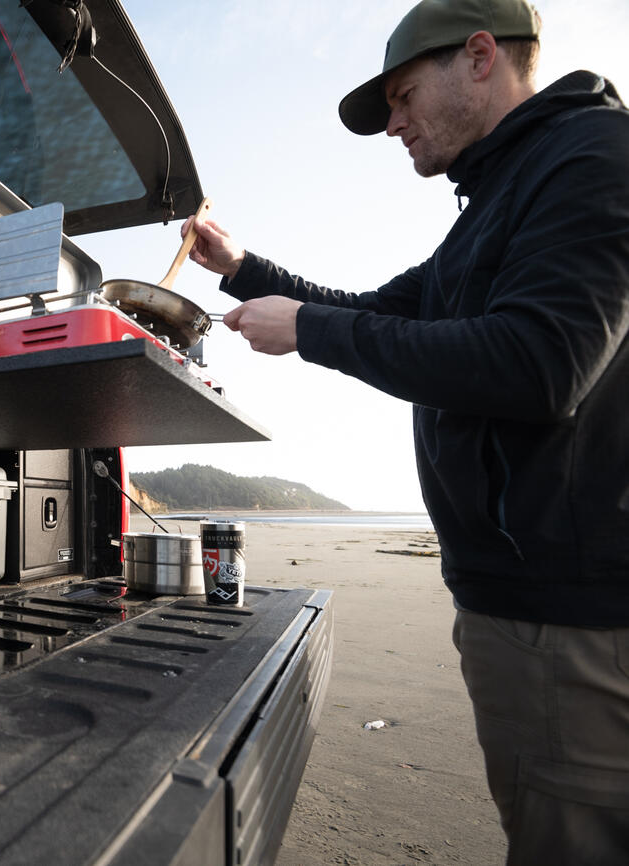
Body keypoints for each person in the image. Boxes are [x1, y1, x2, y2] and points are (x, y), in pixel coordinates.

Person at [181, 0, 629, 862]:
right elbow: (381, 309)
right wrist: (242, 271)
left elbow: (539, 365)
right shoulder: (498, 200)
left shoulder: (591, 156)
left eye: (402, 96)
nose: (393, 124)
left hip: (571, 626)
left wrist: (308, 332)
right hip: (523, 609)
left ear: (480, 55)